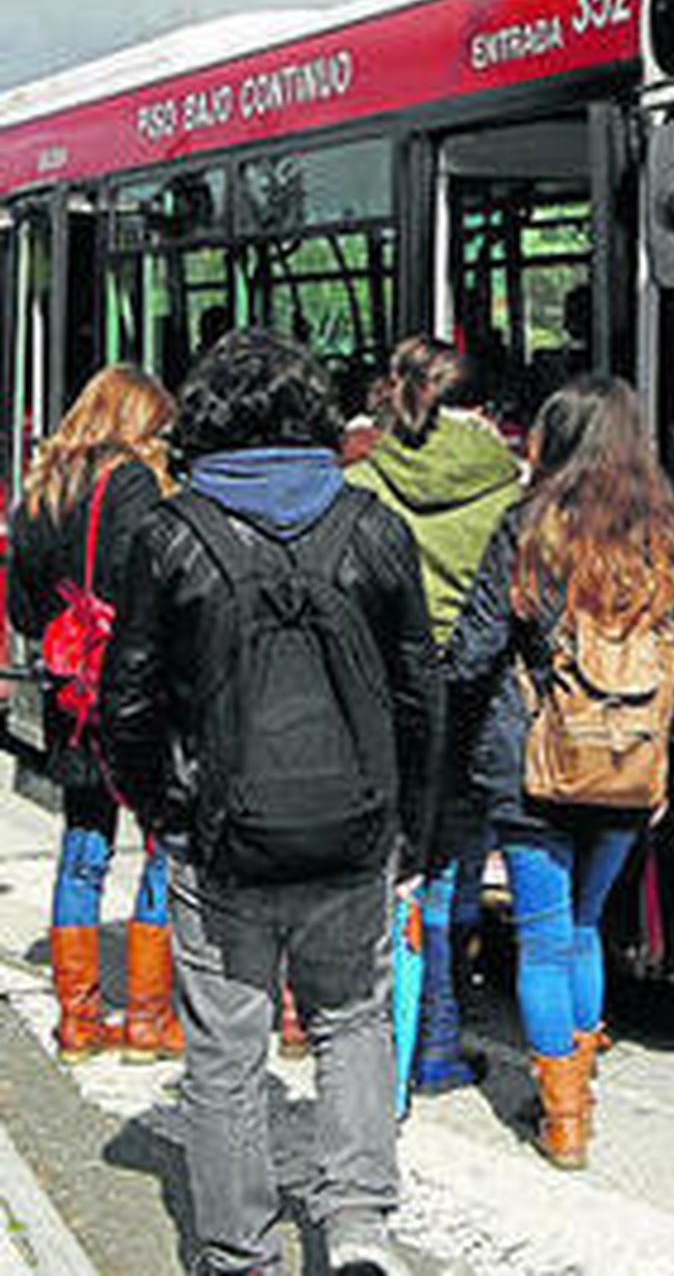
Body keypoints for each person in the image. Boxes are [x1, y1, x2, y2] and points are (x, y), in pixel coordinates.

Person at [100, 329, 443, 1276]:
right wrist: (408, 826)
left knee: (225, 1049)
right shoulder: (373, 526)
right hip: (357, 828)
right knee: (353, 1022)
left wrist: (164, 809)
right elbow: (421, 690)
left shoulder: (170, 535)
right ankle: (360, 1225)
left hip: (221, 835)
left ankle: (239, 1249)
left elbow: (126, 700)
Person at [448, 375, 674, 1168]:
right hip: (630, 769)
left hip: (533, 763)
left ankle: (562, 1118)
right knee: (584, 927)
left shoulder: (530, 528)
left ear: (555, 442)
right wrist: (661, 762)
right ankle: (581, 1086)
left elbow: (474, 651)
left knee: (540, 940)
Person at [346, 334, 521, 1096]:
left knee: (393, 873)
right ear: (479, 410)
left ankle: (385, 1039)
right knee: (455, 870)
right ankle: (440, 1043)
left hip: (386, 702)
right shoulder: (512, 487)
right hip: (475, 701)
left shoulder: (361, 483)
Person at [6, 365, 184, 1063]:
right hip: (128, 688)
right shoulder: (134, 484)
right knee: (163, 841)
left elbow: (22, 606)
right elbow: (145, 589)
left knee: (83, 843)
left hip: (67, 690)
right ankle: (146, 1014)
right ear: (138, 420)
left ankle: (78, 1019)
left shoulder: (42, 485)